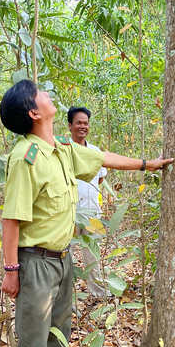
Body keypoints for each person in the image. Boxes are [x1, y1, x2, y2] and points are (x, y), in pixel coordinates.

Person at [0, 80, 173, 347]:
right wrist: (10, 271)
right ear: (33, 112)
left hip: (62, 262)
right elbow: (11, 219)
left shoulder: (59, 151)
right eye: (41, 94)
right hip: (34, 263)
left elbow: (102, 158)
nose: (48, 96)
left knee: (56, 339)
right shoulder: (25, 157)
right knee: (32, 343)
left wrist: (147, 165)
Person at [68, 106, 109, 298]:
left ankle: (99, 293)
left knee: (93, 254)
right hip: (68, 213)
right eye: (79, 123)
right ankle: (64, 294)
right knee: (64, 254)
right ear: (70, 126)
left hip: (93, 211)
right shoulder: (63, 150)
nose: (83, 126)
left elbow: (100, 178)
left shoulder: (94, 151)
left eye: (86, 123)